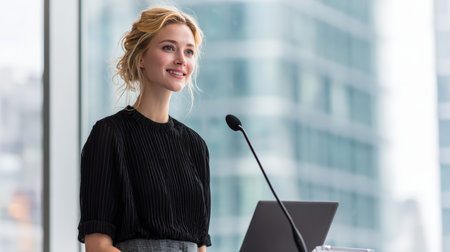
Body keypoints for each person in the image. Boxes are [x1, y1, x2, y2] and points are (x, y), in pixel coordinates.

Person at [77, 6, 211, 252]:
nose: (182, 59)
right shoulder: (109, 135)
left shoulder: (196, 145)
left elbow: (200, 244)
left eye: (189, 51)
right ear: (140, 58)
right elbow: (97, 246)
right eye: (169, 47)